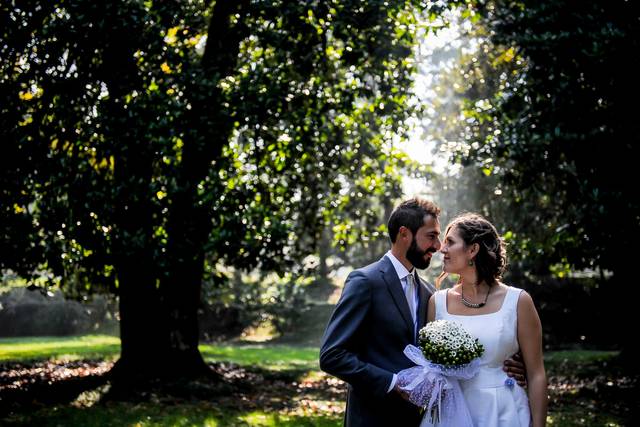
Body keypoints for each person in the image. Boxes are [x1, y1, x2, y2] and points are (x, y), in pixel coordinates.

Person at [320, 198, 527, 427]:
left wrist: (510, 363)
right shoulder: (365, 282)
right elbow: (332, 355)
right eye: (431, 236)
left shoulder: (429, 294)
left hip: (416, 420)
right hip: (371, 418)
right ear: (404, 234)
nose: (438, 246)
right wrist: (392, 382)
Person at [423, 212, 548, 427]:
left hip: (504, 411)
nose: (442, 249)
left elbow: (537, 374)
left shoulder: (518, 301)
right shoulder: (437, 302)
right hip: (450, 412)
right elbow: (430, 369)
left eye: (450, 242)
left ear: (472, 250)